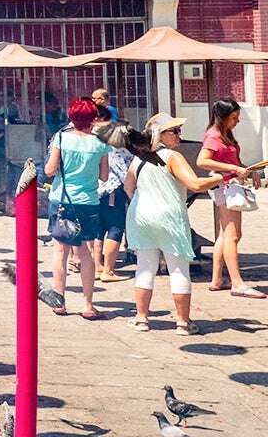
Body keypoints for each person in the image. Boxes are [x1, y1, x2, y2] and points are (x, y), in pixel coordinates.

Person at [123, 116, 223, 334]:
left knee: (145, 267)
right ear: (161, 134)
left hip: (141, 216)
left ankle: (141, 319)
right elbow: (195, 184)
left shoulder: (139, 158)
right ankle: (183, 322)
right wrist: (218, 178)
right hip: (169, 217)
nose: (179, 135)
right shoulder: (173, 157)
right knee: (178, 268)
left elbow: (128, 187)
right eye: (174, 131)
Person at [44, 97, 111, 319]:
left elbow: (50, 170)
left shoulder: (62, 138)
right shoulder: (100, 143)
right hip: (88, 201)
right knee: (86, 252)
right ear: (93, 118)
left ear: (71, 117)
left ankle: (59, 300)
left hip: (62, 199)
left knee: (60, 251)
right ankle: (88, 304)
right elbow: (104, 176)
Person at [197, 96, 264, 298]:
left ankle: (217, 278)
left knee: (225, 234)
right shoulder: (214, 135)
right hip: (226, 187)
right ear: (223, 117)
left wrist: (248, 170)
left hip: (228, 185)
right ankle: (237, 283)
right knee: (233, 235)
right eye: (234, 117)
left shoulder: (224, 134)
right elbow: (202, 161)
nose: (237, 121)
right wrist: (234, 169)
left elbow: (232, 159)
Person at [96, 105, 133, 282]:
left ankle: (97, 266)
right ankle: (108, 270)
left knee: (100, 228)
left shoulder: (92, 137)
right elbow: (122, 169)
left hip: (96, 190)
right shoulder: (114, 143)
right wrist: (131, 189)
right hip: (113, 188)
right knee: (115, 227)